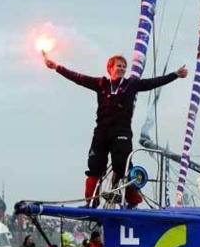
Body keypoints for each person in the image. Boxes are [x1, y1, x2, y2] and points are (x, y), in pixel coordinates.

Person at [45, 54, 188, 208]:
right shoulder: (101, 84)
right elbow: (78, 78)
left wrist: (174, 75)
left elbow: (152, 83)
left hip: (122, 133)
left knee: (122, 166)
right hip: (101, 132)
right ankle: (91, 202)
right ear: (110, 68)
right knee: (94, 166)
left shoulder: (131, 84)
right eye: (119, 66)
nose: (122, 69)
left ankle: (133, 200)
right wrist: (57, 67)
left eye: (124, 67)